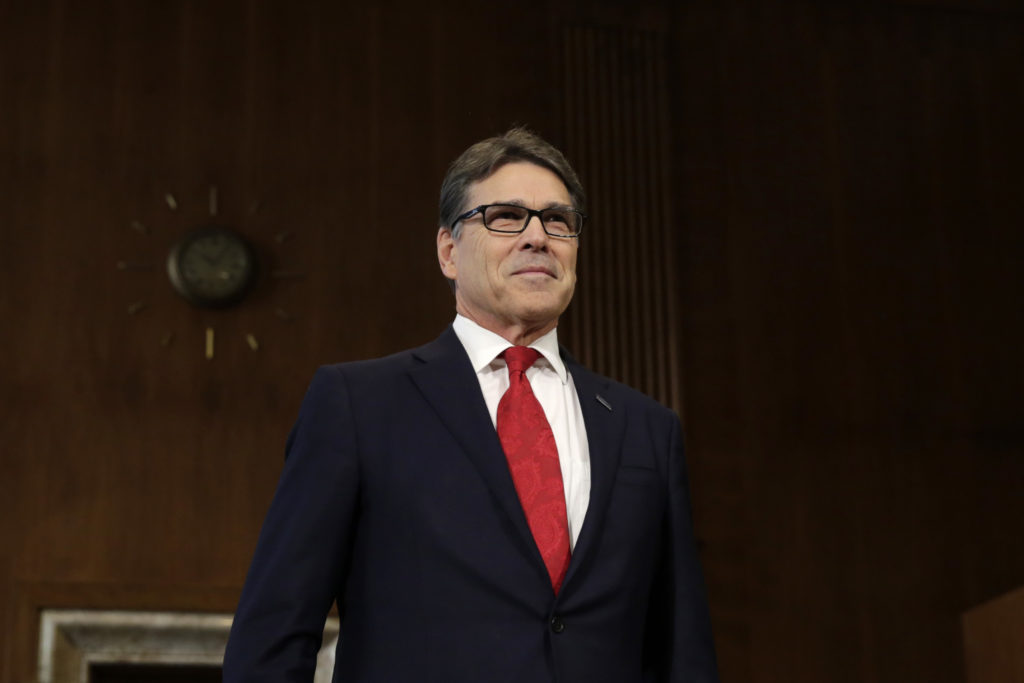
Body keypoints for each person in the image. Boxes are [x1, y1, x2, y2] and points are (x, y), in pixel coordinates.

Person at [223, 127, 719, 683]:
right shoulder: (358, 405)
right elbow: (274, 633)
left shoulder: (647, 428)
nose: (538, 237)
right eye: (506, 216)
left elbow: (683, 649)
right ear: (448, 251)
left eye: (558, 220)